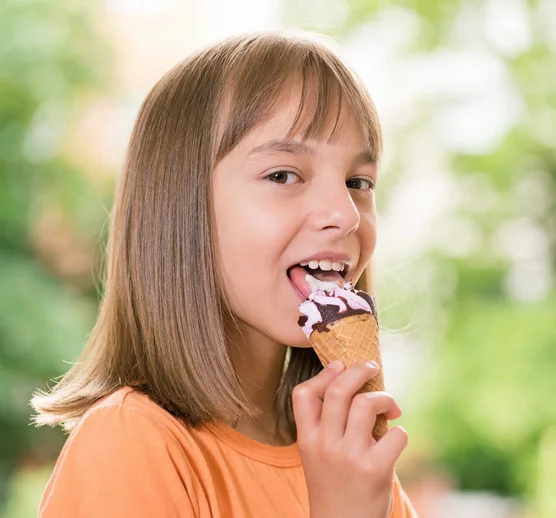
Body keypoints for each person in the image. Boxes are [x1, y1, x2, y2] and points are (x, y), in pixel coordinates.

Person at [31, 31, 418, 518]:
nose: (345, 214)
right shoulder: (130, 442)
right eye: (283, 175)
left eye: (358, 182)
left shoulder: (344, 455)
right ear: (181, 210)